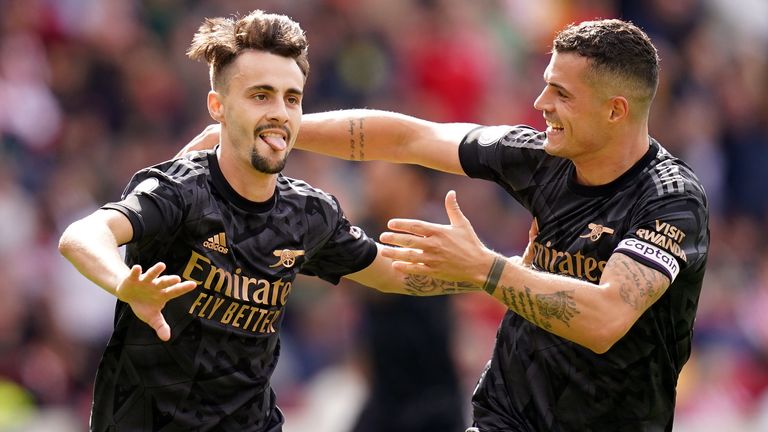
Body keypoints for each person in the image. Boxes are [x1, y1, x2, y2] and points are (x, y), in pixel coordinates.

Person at [183, 18, 709, 431]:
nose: (540, 104)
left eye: (562, 95)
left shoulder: (669, 200)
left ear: (616, 111)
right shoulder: (544, 159)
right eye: (546, 85)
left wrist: (487, 270)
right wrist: (277, 128)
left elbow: (605, 318)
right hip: (505, 416)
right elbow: (410, 138)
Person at [58, 10, 481, 431]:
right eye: (261, 95)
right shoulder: (180, 191)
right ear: (218, 107)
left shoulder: (308, 214)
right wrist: (124, 284)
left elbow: (394, 275)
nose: (280, 112)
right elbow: (82, 234)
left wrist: (490, 272)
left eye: (291, 98)